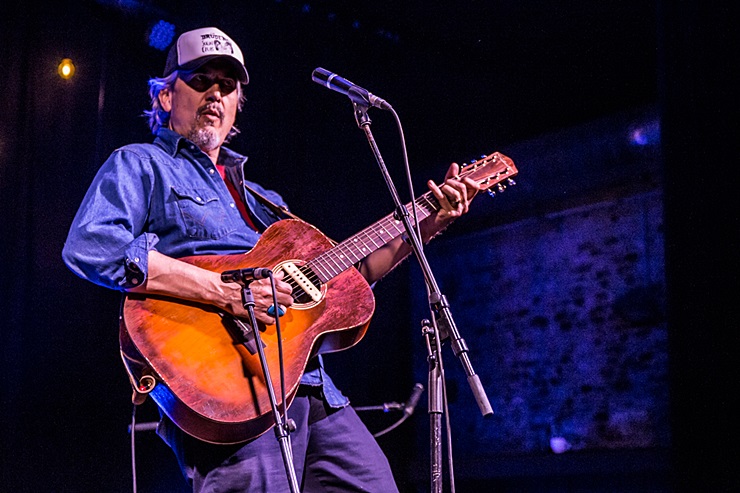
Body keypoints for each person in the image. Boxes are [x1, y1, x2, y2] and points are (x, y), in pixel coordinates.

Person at [62, 27, 480, 492]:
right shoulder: (140, 164)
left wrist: (430, 221)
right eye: (201, 80)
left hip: (309, 384)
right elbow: (91, 245)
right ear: (164, 98)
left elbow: (350, 278)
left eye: (227, 85)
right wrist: (224, 291)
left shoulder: (265, 201)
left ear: (239, 103)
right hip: (227, 381)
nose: (215, 93)